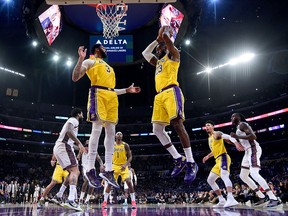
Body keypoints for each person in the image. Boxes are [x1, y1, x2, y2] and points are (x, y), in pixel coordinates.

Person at [72, 44, 141, 188]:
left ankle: (108, 170)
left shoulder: (110, 68)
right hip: (98, 94)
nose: (106, 49)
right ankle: (91, 168)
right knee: (96, 129)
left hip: (111, 97)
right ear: (97, 49)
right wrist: (80, 59)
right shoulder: (90, 61)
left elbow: (111, 89)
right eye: (104, 47)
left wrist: (126, 91)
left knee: (111, 132)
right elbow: (75, 77)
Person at [142, 26, 198, 183]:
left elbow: (168, 41)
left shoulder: (174, 55)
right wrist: (156, 40)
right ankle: (178, 158)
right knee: (157, 129)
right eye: (159, 47)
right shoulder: (158, 61)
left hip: (172, 91)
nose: (159, 49)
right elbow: (145, 53)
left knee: (177, 124)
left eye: (161, 47)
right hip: (159, 96)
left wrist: (165, 34)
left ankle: (191, 162)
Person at [230, 113, 282, 208]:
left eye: (234, 116)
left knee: (254, 174)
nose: (232, 118)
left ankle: (273, 198)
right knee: (243, 176)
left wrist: (237, 137)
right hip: (247, 152)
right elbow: (243, 142)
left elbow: (253, 136)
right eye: (231, 117)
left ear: (239, 117)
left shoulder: (243, 124)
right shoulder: (238, 128)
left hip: (253, 149)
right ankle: (261, 196)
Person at [203, 120, 244, 208]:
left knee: (224, 175)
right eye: (206, 126)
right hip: (217, 160)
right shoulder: (209, 138)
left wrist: (236, 143)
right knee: (210, 180)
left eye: (208, 125)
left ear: (213, 127)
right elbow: (214, 151)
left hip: (223, 157)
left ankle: (231, 198)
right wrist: (207, 156)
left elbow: (229, 137)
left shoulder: (217, 133)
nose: (207, 127)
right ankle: (221, 200)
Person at [53, 108, 86, 211]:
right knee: (75, 171)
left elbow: (69, 139)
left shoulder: (71, 121)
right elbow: (68, 132)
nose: (83, 116)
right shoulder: (74, 120)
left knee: (72, 172)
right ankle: (71, 200)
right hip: (64, 147)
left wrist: (80, 148)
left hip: (61, 147)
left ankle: (59, 195)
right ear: (79, 114)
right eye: (82, 114)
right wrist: (80, 144)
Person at [102, 132, 137, 209]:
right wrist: (106, 164)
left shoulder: (125, 145)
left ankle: (133, 202)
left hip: (123, 166)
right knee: (109, 184)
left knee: (129, 182)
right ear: (115, 136)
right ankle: (104, 202)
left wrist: (126, 164)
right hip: (114, 166)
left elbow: (130, 157)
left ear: (122, 136)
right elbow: (108, 155)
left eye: (121, 134)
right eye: (118, 134)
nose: (119, 135)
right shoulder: (112, 145)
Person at [77, 140, 104, 208]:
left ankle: (87, 200)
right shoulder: (83, 149)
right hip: (85, 167)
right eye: (87, 141)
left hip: (92, 168)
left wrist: (101, 165)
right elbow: (78, 156)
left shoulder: (94, 150)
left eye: (90, 141)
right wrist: (78, 157)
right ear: (85, 143)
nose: (88, 142)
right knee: (86, 180)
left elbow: (99, 159)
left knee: (92, 184)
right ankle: (81, 199)